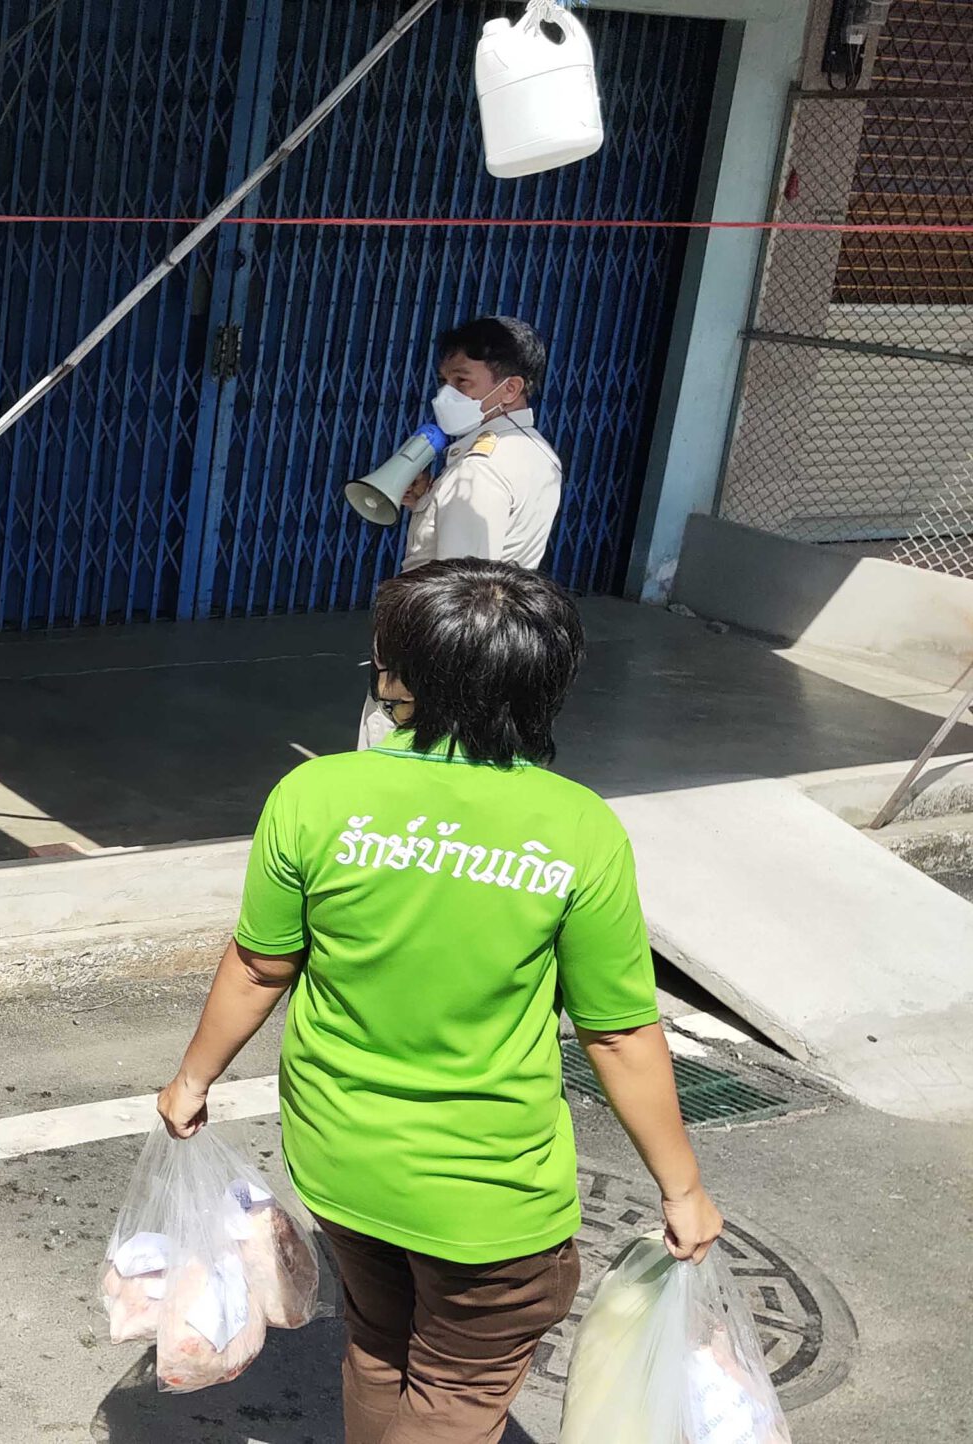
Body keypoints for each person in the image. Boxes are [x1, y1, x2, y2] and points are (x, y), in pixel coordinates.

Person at [158, 559, 723, 1444]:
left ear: (403, 678)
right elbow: (617, 1033)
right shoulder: (578, 829)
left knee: (380, 1345)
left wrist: (192, 1080)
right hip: (488, 1197)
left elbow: (261, 966)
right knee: (459, 1388)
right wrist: (682, 1190)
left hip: (340, 1161)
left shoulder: (315, 795)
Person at [360, 315, 563, 749]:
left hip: (438, 663)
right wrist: (431, 500)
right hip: (493, 647)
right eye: (444, 380)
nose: (446, 394)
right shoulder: (538, 453)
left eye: (462, 381)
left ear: (509, 388)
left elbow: (462, 594)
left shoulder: (478, 470)